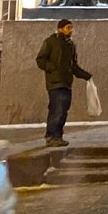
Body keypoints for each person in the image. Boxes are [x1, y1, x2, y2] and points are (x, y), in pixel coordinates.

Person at [35, 18, 92, 147]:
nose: (71, 30)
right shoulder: (51, 42)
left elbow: (73, 66)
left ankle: (53, 135)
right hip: (55, 82)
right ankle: (54, 136)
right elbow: (40, 60)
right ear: (60, 29)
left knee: (61, 110)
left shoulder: (70, 45)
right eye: (68, 27)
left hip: (66, 82)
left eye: (71, 28)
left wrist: (86, 76)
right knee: (58, 110)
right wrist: (53, 69)